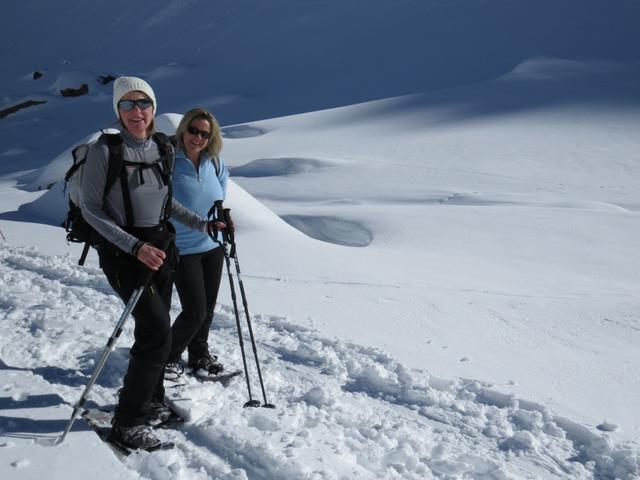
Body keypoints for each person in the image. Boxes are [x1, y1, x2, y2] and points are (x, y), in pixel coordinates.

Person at [81, 77, 220, 449]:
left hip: (160, 247)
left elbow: (166, 204)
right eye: (127, 104)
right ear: (117, 111)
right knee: (158, 329)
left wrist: (202, 223)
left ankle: (151, 400)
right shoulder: (104, 151)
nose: (136, 111)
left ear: (153, 108)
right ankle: (129, 422)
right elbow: (91, 210)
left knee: (153, 332)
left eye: (143, 103)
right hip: (123, 252)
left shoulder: (161, 147)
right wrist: (133, 246)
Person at [164, 108, 230, 381]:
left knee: (208, 309)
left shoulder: (213, 161)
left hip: (211, 245)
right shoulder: (167, 158)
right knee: (195, 311)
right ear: (183, 129)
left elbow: (221, 190)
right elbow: (160, 198)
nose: (198, 137)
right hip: (182, 247)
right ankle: (167, 356)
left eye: (205, 133)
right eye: (194, 130)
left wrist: (219, 217)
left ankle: (199, 355)